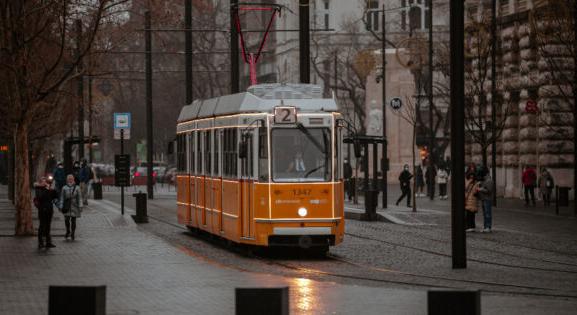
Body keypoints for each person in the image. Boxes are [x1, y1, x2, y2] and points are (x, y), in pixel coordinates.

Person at [34, 177, 59, 249]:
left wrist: (53, 189)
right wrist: (47, 190)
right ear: (40, 182)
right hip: (42, 210)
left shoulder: (48, 189)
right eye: (43, 182)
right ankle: (40, 243)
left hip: (49, 210)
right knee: (42, 226)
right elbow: (40, 197)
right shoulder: (38, 189)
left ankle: (48, 242)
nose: (45, 183)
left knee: (48, 226)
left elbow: (55, 196)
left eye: (46, 181)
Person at [59, 174, 82, 241]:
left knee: (73, 221)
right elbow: (62, 198)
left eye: (71, 178)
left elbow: (79, 198)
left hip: (74, 206)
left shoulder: (77, 187)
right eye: (69, 179)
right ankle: (68, 231)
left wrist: (80, 206)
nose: (70, 180)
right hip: (67, 206)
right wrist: (61, 206)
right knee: (66, 220)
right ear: (67, 180)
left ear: (73, 179)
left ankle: (73, 233)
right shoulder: (64, 188)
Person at [477, 167, 494, 232]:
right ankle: (485, 226)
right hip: (484, 199)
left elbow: (489, 190)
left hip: (487, 199)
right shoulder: (484, 181)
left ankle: (488, 227)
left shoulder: (489, 181)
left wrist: (481, 189)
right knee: (485, 214)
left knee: (487, 213)